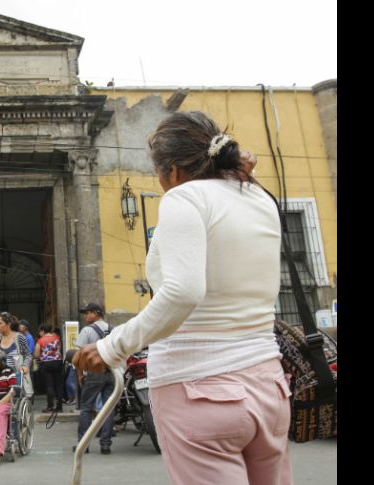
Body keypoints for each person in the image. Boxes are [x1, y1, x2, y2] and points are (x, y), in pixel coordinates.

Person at [72, 111, 291, 485]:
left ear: (171, 171)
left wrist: (112, 347)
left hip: (199, 388)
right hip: (268, 385)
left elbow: (183, 291)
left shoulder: (184, 197)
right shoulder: (258, 196)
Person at [73, 303, 114, 455]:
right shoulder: (113, 329)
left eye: (87, 313)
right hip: (111, 373)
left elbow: (79, 355)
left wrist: (80, 374)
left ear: (96, 313)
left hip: (93, 373)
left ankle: (83, 444)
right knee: (108, 409)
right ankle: (105, 445)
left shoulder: (87, 331)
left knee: (86, 408)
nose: (85, 316)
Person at [0, 312, 32, 392]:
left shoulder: (19, 337)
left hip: (16, 377)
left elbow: (28, 355)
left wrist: (25, 365)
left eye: (0, 323)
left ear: (8, 324)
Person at [34, 323, 63, 413]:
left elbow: (37, 354)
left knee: (49, 385)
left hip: (46, 364)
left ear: (42, 331)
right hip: (58, 363)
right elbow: (59, 349)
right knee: (58, 385)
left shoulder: (40, 340)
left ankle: (50, 406)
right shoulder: (57, 338)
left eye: (40, 331)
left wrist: (40, 357)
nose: (39, 333)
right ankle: (59, 406)